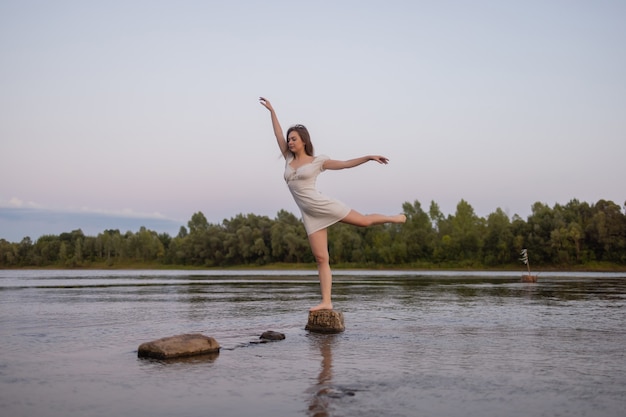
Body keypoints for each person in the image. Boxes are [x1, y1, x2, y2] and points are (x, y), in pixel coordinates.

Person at [259, 97, 406, 311]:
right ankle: (327, 302)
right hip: (309, 215)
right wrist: (272, 111)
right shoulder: (288, 160)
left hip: (323, 205)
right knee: (321, 258)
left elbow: (345, 165)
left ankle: (393, 218)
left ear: (304, 141)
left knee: (364, 222)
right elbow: (278, 134)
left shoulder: (319, 161)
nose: (290, 142)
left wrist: (368, 157)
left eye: (294, 139)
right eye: (289, 139)